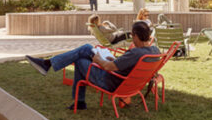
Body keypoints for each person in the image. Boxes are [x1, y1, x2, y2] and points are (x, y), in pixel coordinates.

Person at [25, 20, 160, 110]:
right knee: (84, 52)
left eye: (132, 35)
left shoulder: (136, 53)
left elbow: (108, 67)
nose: (131, 37)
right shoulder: (154, 51)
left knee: (85, 50)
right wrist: (108, 58)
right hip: (127, 84)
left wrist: (97, 59)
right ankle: (79, 101)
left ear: (136, 35)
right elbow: (122, 65)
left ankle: (48, 64)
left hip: (110, 82)